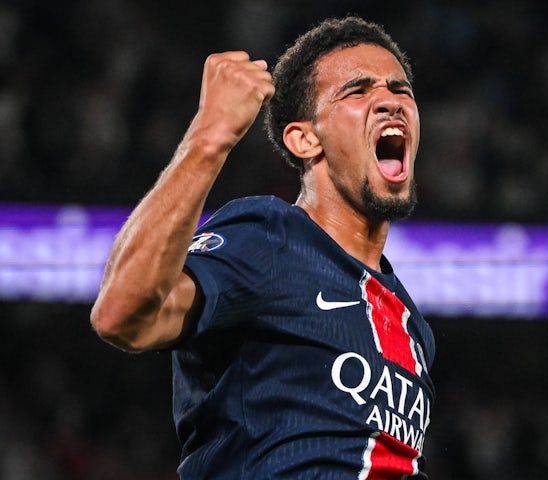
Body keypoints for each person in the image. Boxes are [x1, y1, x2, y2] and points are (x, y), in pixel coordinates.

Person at [91, 16, 436, 479]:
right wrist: (210, 135)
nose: (389, 102)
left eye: (400, 89)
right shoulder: (270, 237)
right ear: (304, 138)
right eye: (357, 91)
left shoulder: (411, 326)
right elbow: (122, 315)